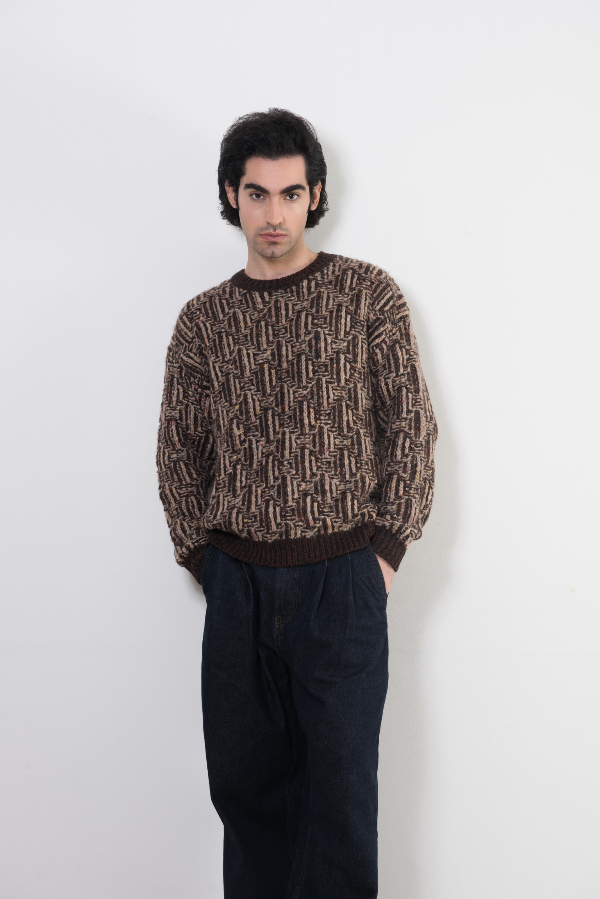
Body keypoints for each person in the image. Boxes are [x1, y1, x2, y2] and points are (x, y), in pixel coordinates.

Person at [156, 108, 437, 899]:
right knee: (248, 799)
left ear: (315, 195)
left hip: (342, 581)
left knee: (340, 801)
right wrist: (208, 562)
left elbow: (411, 429)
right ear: (231, 195)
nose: (273, 213)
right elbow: (178, 451)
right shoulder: (204, 321)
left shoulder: (367, 294)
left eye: (290, 193)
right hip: (237, 585)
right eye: (257, 193)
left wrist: (381, 556)